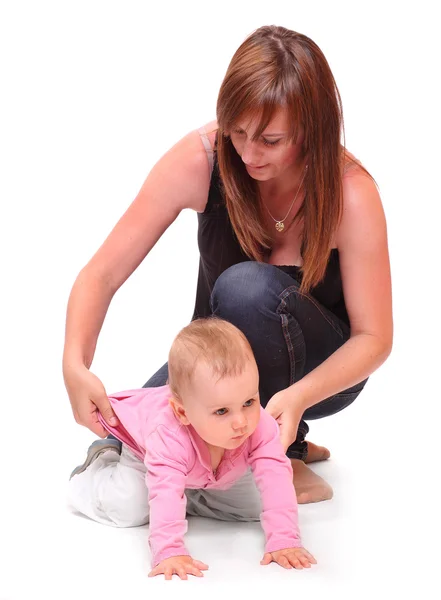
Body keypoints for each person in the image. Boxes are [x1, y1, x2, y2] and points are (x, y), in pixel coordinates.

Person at [63, 25, 393, 504]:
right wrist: (75, 362)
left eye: (271, 140)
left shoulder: (352, 195)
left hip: (323, 376)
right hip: (223, 375)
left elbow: (375, 338)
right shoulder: (203, 158)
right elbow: (102, 273)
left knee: (246, 290)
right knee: (128, 434)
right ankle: (244, 447)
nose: (248, 153)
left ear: (312, 130)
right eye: (237, 131)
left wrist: (298, 401)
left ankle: (283, 448)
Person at [68, 318, 316, 579]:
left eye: (249, 401)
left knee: (256, 506)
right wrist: (170, 550)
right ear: (182, 412)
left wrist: (285, 540)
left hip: (210, 469)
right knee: (129, 506)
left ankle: (191, 492)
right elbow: (165, 489)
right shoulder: (168, 435)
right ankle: (103, 456)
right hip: (146, 452)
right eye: (222, 410)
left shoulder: (258, 425)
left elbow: (275, 478)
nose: (241, 422)